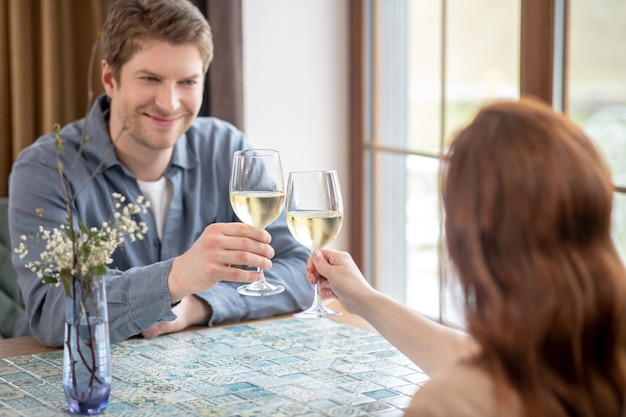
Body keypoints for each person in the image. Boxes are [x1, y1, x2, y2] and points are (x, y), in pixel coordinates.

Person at [9, 0, 312, 347]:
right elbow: (53, 312)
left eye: (187, 81)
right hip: (70, 377)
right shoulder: (47, 168)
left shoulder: (227, 148)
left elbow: (298, 271)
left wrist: (195, 306)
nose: (169, 103)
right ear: (110, 78)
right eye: (150, 78)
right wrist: (178, 277)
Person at [308, 98, 626, 417]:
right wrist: (364, 300)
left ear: (467, 241)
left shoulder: (447, 405)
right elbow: (475, 358)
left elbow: (476, 379)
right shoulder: (586, 354)